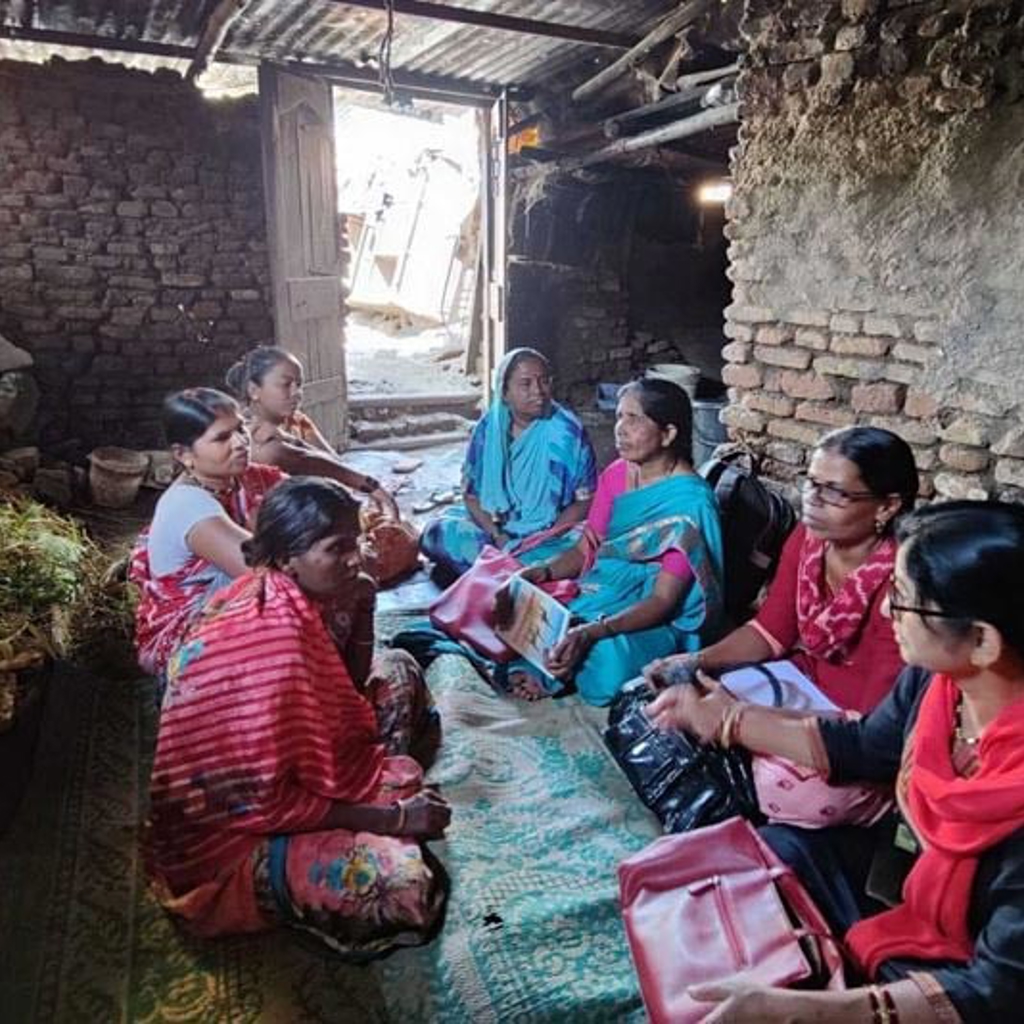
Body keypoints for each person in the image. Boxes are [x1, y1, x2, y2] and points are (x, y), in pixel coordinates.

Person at [648, 501, 1024, 1022]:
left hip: (972, 969)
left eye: (905, 599)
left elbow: (996, 989)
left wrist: (809, 1011)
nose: (888, 611)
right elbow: (868, 745)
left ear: (982, 640)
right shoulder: (938, 684)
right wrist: (726, 720)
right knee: (769, 851)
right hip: (908, 886)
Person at [147, 477, 450, 956]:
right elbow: (261, 800)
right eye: (338, 548)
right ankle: (305, 866)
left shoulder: (294, 594)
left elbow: (346, 691)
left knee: (398, 669)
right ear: (287, 557)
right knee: (403, 890)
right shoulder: (271, 635)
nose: (357, 557)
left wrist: (366, 605)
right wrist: (392, 819)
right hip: (232, 841)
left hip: (293, 775)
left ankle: (361, 813)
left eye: (357, 541)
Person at [646, 426, 919, 714]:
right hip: (803, 676)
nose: (813, 499)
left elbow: (877, 720)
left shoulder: (903, 583)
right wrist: (694, 661)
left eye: (835, 492)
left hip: (860, 715)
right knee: (678, 706)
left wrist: (741, 722)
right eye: (812, 483)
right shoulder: (809, 540)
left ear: (887, 506)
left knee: (725, 730)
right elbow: (770, 631)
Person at [500, 377, 723, 705]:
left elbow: (664, 601)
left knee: (608, 662)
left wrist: (593, 631)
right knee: (511, 591)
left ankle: (557, 657)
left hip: (651, 608)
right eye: (619, 416)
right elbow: (585, 548)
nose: (620, 428)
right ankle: (558, 650)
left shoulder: (691, 503)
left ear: (668, 433)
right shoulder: (617, 474)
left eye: (634, 418)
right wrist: (542, 574)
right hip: (601, 584)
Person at [129, 388, 285, 676]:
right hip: (188, 643)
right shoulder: (188, 504)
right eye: (222, 437)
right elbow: (271, 575)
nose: (241, 442)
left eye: (240, 428)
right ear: (183, 454)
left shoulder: (240, 480)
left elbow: (303, 499)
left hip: (222, 619)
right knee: (300, 598)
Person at [420, 347, 597, 578]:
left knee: (591, 542)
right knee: (439, 532)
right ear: (504, 392)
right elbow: (472, 496)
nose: (539, 391)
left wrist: (548, 535)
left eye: (544, 382)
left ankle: (501, 572)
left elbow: (586, 500)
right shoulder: (487, 430)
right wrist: (496, 534)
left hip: (553, 534)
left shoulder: (568, 431)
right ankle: (514, 573)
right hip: (497, 530)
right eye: (526, 384)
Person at [225, 346, 400, 521]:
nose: (296, 393)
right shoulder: (250, 440)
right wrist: (372, 487)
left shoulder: (296, 421)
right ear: (254, 390)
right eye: (286, 384)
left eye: (299, 385)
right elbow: (303, 459)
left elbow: (333, 462)